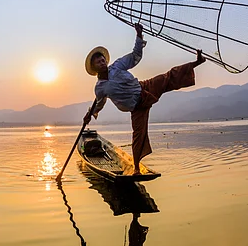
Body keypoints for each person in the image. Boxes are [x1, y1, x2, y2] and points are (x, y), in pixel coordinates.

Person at [83, 23, 206, 174]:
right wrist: (89, 114)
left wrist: (139, 35)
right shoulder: (100, 88)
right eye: (98, 62)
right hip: (137, 107)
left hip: (144, 88)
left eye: (103, 60)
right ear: (95, 68)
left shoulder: (117, 66)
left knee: (168, 77)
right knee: (138, 135)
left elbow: (135, 56)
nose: (102, 63)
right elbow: (99, 104)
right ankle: (136, 168)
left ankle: (196, 63)